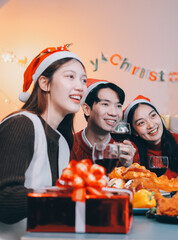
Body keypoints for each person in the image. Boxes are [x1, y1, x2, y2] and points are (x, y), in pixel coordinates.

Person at [0, 44, 87, 240]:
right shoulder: (21, 124)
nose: (81, 86)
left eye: (83, 80)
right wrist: (70, 195)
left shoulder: (63, 142)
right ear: (44, 83)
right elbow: (4, 198)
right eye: (70, 76)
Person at [71, 78, 136, 167]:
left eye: (118, 106)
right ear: (87, 109)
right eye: (105, 104)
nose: (113, 113)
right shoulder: (69, 144)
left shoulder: (129, 150)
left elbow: (137, 180)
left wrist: (128, 167)